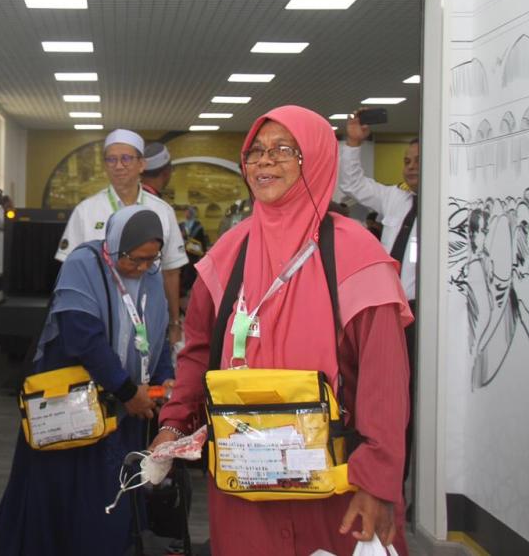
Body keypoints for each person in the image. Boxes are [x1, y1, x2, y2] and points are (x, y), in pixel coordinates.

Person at [153, 105, 412, 555]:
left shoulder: (356, 254)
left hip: (334, 488)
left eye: (283, 150)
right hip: (243, 483)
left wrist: (377, 484)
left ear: (314, 160)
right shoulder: (228, 253)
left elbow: (385, 382)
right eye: (255, 152)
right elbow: (198, 350)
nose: (265, 161)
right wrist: (173, 426)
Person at [0, 205, 174, 556]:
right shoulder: (84, 264)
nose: (142, 268)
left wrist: (165, 379)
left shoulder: (150, 273)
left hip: (126, 413)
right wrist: (128, 390)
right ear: (117, 246)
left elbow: (157, 333)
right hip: (75, 409)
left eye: (151, 259)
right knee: (65, 501)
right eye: (135, 259)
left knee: (113, 502)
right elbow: (82, 336)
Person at [339, 112, 419, 484]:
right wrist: (354, 143)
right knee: (387, 401)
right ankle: (389, 476)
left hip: (426, 316)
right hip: (391, 313)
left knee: (416, 401)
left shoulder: (448, 208)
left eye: (419, 161)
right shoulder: (397, 200)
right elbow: (353, 183)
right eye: (407, 161)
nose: (412, 167)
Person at [56, 129, 187, 345]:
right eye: (111, 159)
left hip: (149, 316)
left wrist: (174, 323)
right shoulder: (86, 211)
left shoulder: (163, 211)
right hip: (97, 315)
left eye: (126, 158)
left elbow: (171, 271)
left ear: (141, 164)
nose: (118, 166)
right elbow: (68, 273)